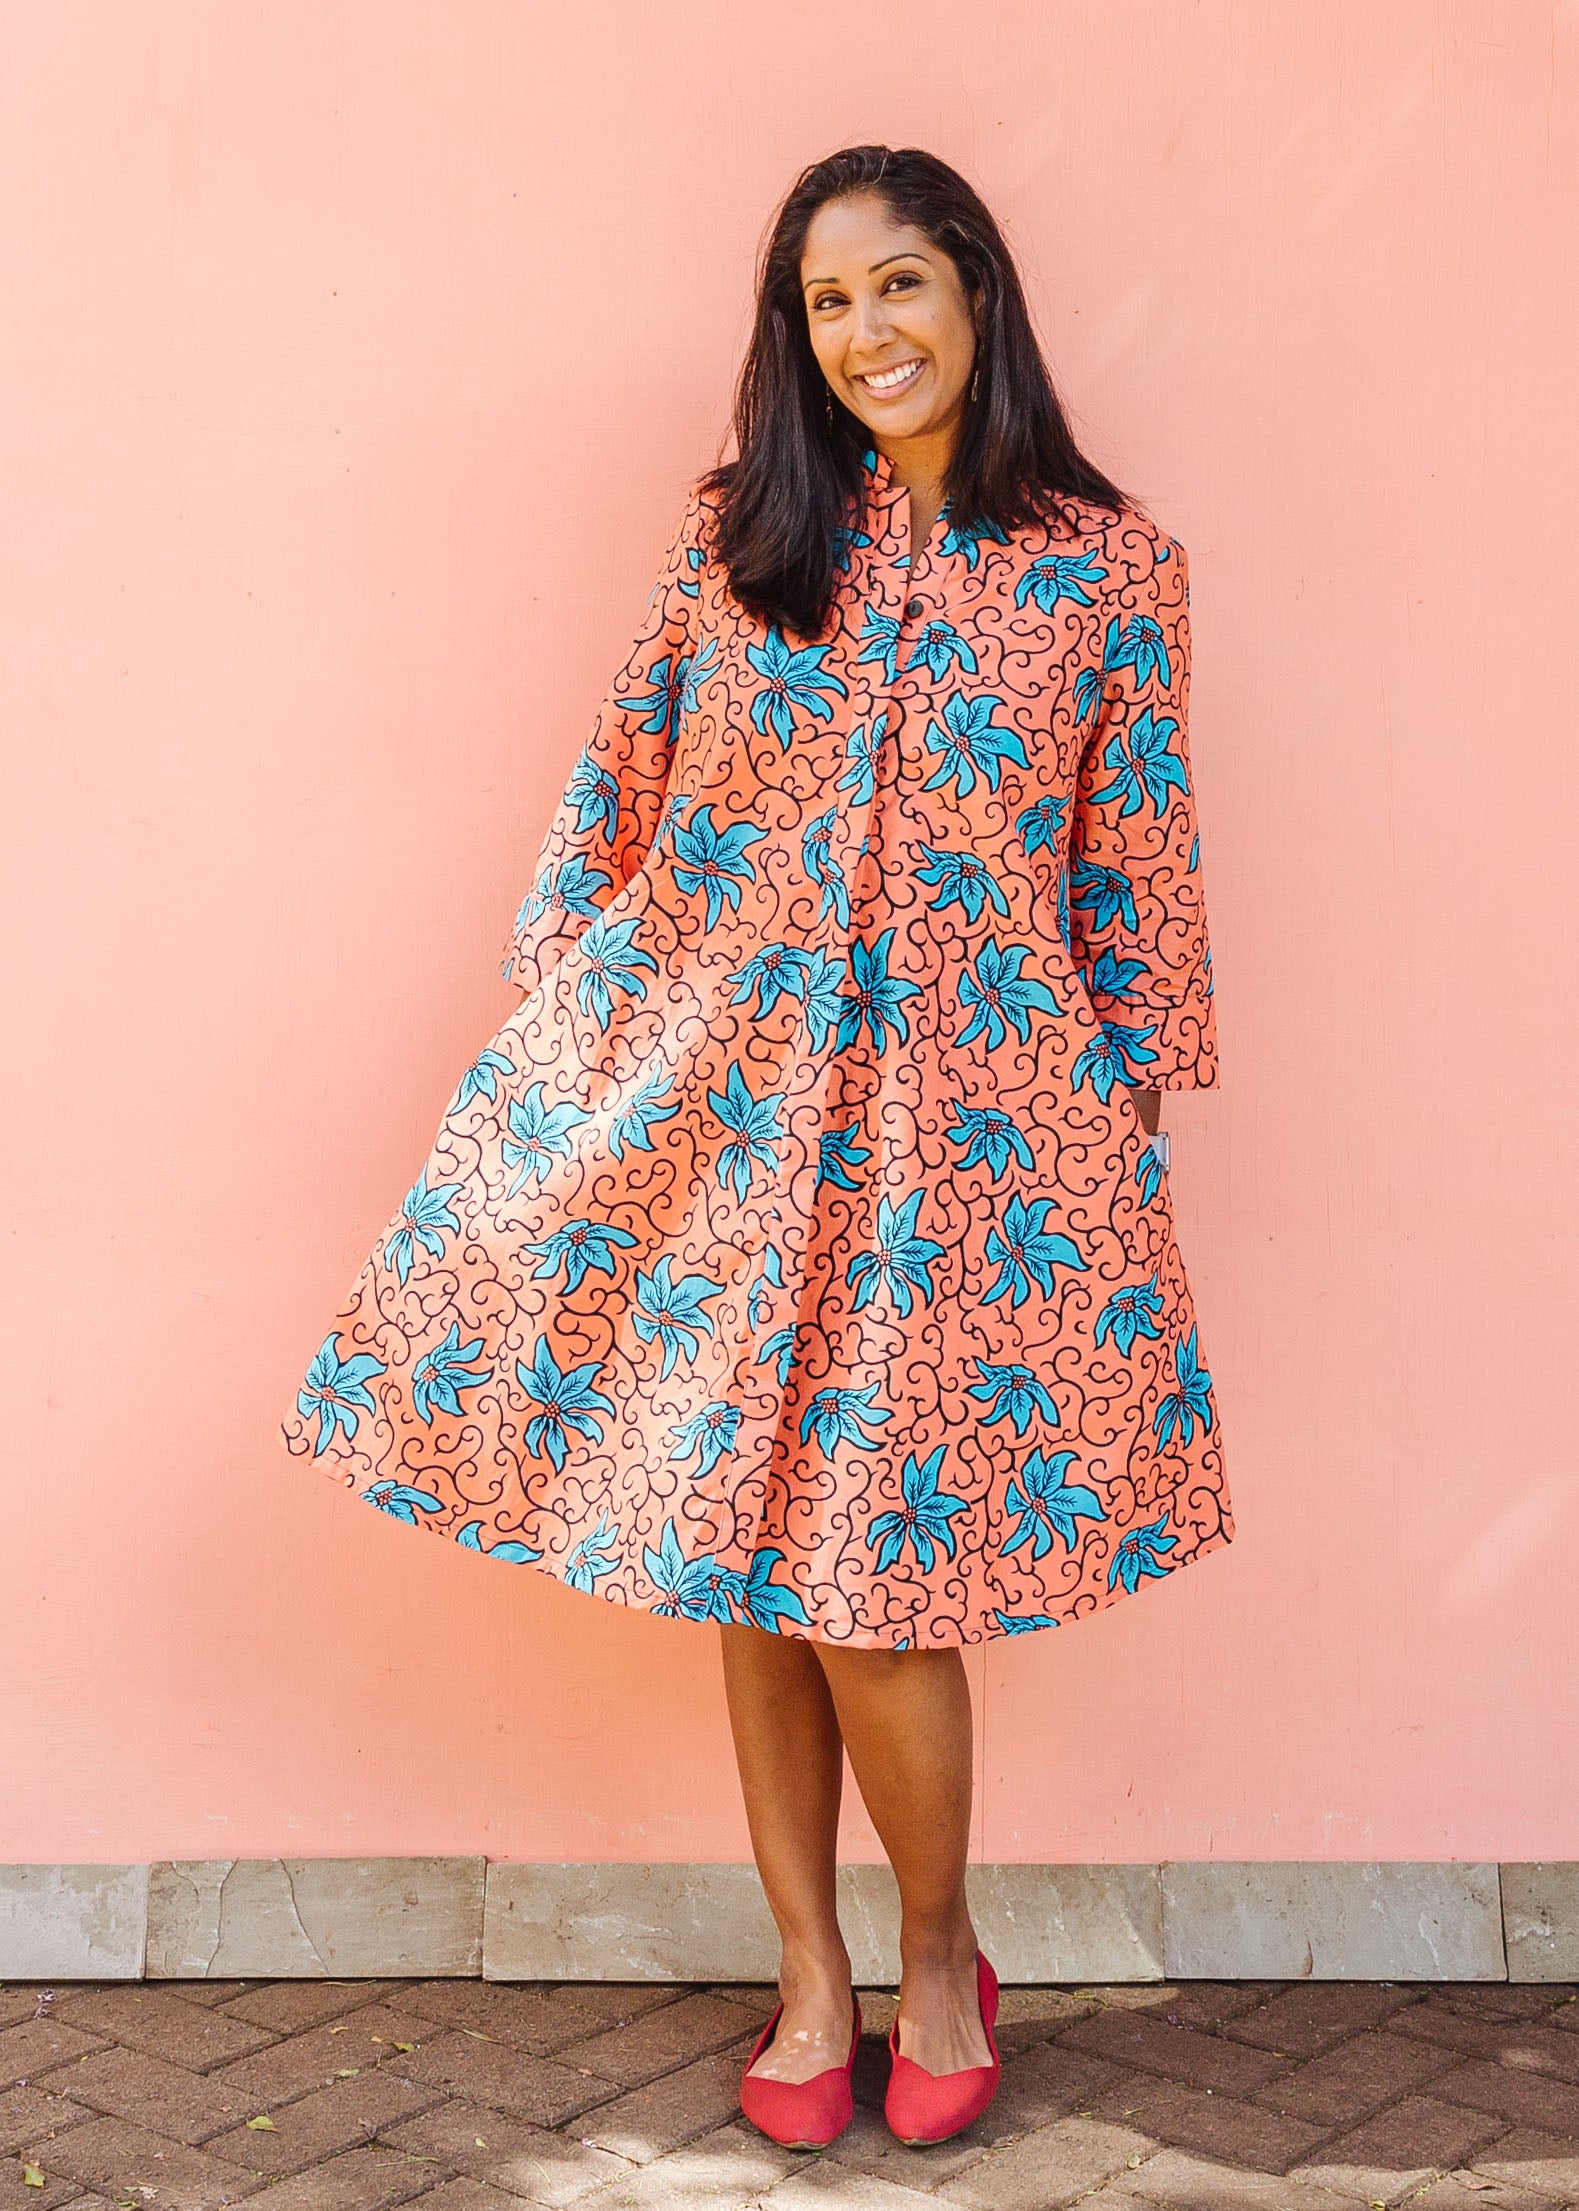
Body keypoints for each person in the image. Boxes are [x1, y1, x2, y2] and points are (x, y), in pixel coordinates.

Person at [280, 142, 1233, 2152]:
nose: (868, 331)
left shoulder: (1107, 562)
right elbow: (618, 782)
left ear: (977, 293)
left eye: (900, 285)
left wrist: (1123, 1109)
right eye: (827, 301)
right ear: (790, 334)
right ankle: (812, 1970)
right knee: (754, 1552)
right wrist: (562, 1024)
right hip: (724, 1098)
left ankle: (939, 1948)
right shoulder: (736, 535)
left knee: (879, 1572)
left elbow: (1133, 860)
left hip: (966, 1133)